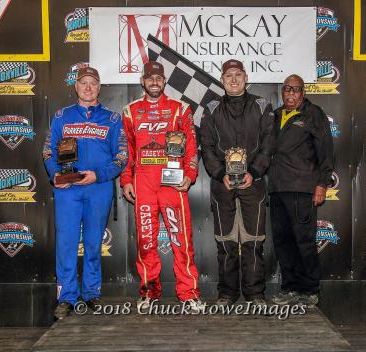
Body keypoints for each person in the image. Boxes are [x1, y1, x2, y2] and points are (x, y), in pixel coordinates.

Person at [43, 67, 128, 319]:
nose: (88, 87)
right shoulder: (61, 117)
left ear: (99, 87)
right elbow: (48, 151)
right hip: (67, 190)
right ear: (76, 87)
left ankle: (91, 293)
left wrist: (99, 175)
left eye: (93, 83)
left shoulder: (113, 119)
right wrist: (55, 175)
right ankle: (67, 296)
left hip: (98, 188)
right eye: (83, 83)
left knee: (93, 243)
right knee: (66, 244)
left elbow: (122, 157)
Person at [120, 61, 203, 312]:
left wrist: (190, 173)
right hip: (143, 183)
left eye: (158, 78)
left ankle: (188, 294)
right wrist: (126, 180)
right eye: (149, 79)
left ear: (164, 81)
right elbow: (127, 151)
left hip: (172, 183)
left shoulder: (180, 109)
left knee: (181, 241)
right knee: (146, 242)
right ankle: (149, 292)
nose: (154, 82)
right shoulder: (130, 111)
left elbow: (191, 147)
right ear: (143, 82)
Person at [200, 59, 274, 306]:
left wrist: (254, 171)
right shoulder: (211, 108)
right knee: (227, 242)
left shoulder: (262, 105)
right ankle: (227, 293)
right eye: (228, 75)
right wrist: (221, 174)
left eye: (238, 74)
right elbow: (207, 148)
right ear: (222, 80)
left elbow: (268, 144)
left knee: (254, 241)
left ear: (246, 78)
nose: (233, 79)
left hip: (254, 185)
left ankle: (255, 294)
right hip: (223, 186)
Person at [269, 74, 334, 308]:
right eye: (287, 89)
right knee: (283, 242)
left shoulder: (313, 114)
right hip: (276, 189)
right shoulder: (275, 115)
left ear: (303, 93)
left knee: (303, 242)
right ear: (283, 91)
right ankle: (290, 288)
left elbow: (326, 151)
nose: (290, 93)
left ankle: (310, 289)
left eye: (296, 89)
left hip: (301, 188)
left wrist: (322, 184)